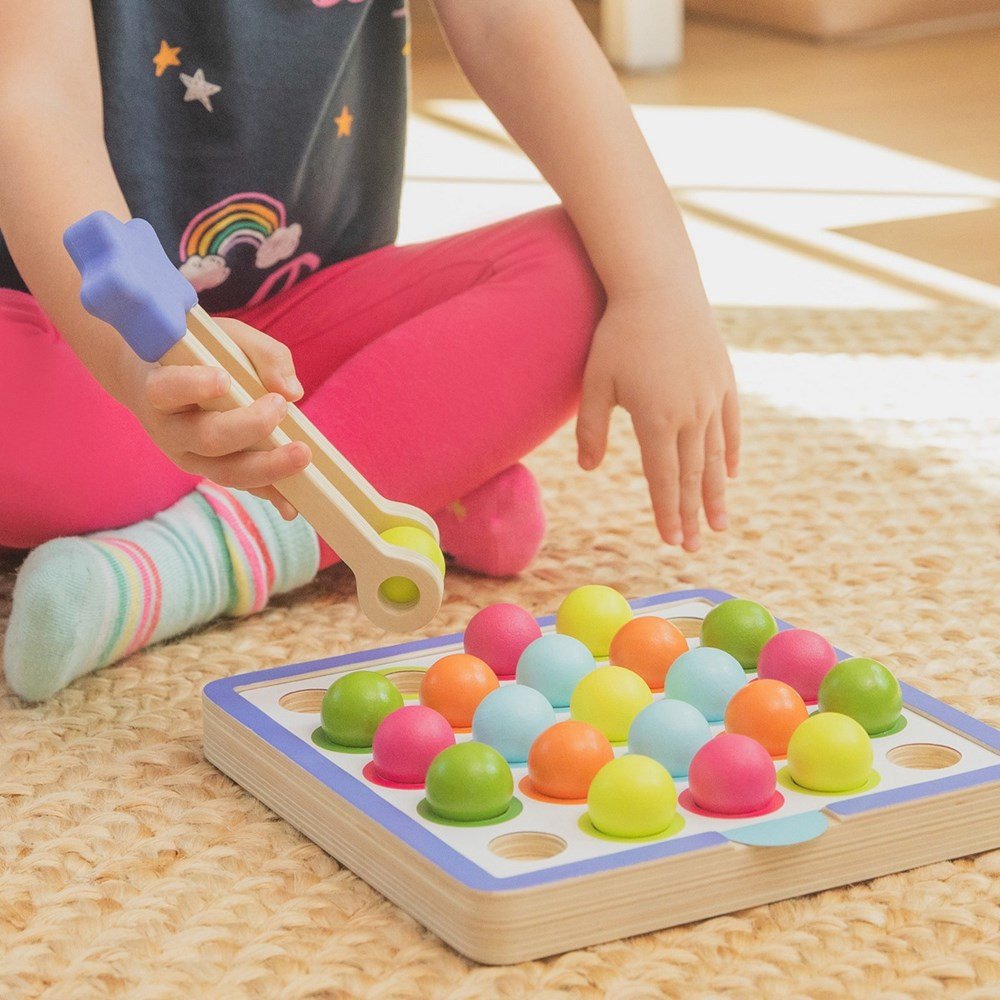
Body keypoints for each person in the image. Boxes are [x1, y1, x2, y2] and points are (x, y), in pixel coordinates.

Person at [0, 0, 740, 701]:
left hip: (301, 320)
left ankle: (206, 554)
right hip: (70, 328)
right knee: (44, 458)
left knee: (592, 269)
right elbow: (36, 99)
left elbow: (508, 19)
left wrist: (657, 285)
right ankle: (391, 479)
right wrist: (143, 365)